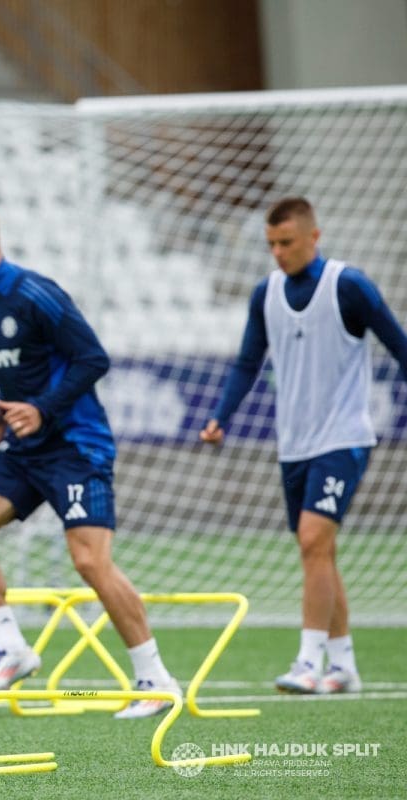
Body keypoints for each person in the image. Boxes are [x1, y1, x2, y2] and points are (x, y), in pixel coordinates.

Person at [0, 201, 178, 719]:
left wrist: (41, 410)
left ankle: (156, 679)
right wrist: (0, 418)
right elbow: (24, 378)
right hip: (25, 447)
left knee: (89, 560)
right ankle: (11, 649)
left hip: (74, 445)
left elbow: (94, 359)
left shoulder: (36, 294)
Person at [201, 197, 407, 695]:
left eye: (286, 242)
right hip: (293, 444)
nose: (277, 252)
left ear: (314, 237)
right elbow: (248, 362)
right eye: (270, 244)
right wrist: (220, 417)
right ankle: (344, 666)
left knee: (314, 540)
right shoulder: (265, 293)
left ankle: (308, 662)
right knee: (318, 552)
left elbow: (400, 346)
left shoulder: (348, 286)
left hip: (344, 438)